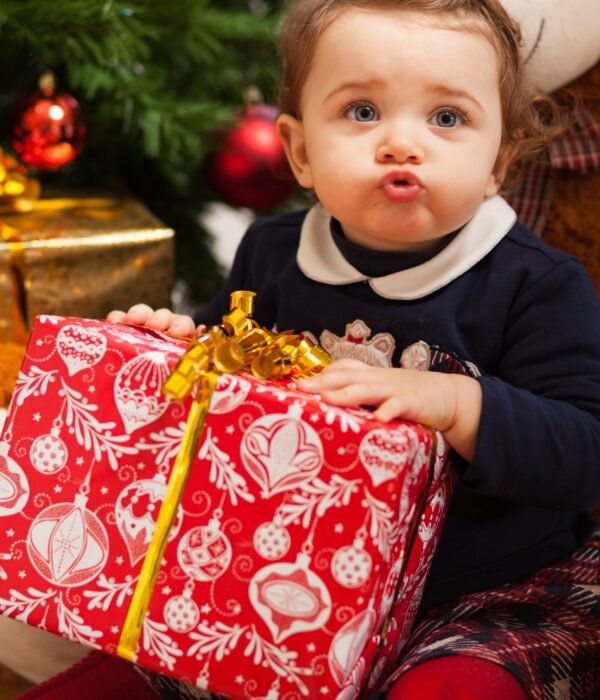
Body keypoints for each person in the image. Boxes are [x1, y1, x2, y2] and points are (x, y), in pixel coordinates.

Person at [109, 1, 600, 697]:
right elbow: (224, 376)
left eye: (448, 118)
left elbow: (585, 453)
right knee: (139, 655)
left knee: (455, 688)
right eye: (363, 112)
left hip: (481, 589)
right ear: (301, 150)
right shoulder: (273, 254)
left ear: (500, 161)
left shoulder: (538, 283)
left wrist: (459, 403)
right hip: (292, 573)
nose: (402, 144)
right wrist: (173, 344)